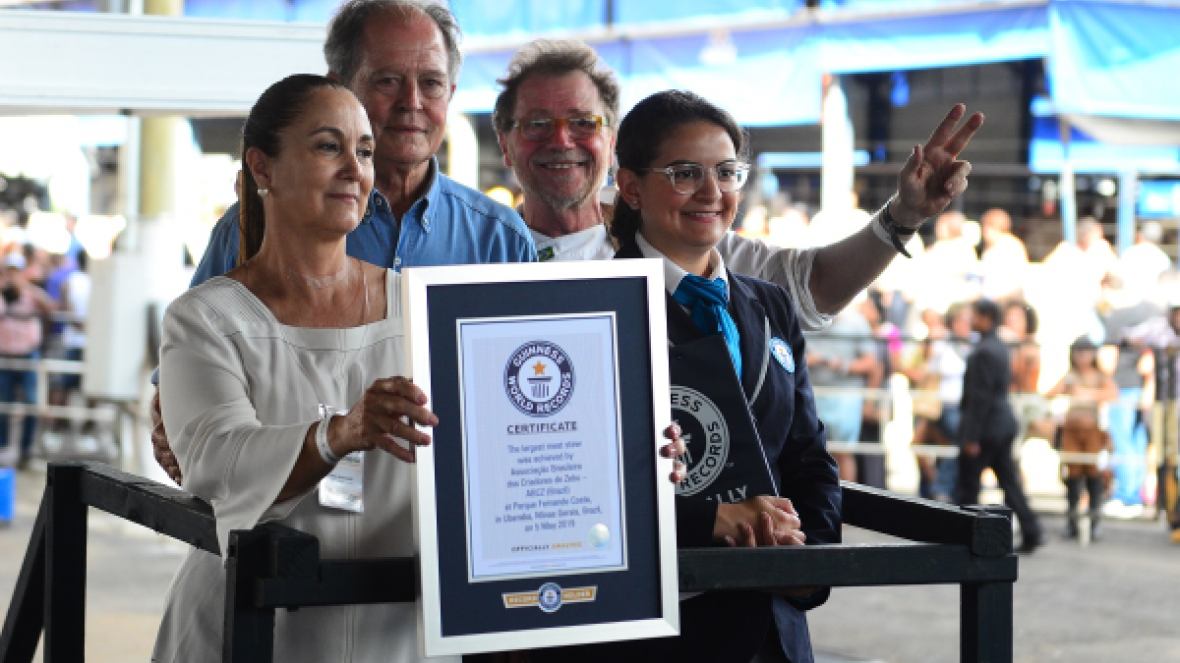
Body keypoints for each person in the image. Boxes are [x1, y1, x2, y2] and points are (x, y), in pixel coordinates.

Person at [152, 74, 685, 663]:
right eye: (329, 147)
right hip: (252, 628)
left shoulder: (429, 307)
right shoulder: (204, 318)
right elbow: (214, 460)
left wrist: (626, 458)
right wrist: (339, 434)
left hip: (403, 632)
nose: (356, 170)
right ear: (263, 167)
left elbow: (511, 445)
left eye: (364, 151)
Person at [152, 0, 537, 484]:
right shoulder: (253, 226)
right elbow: (183, 401)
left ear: (452, 92)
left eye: (432, 83)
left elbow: (528, 401)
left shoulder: (498, 240)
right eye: (387, 81)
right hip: (284, 525)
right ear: (340, 84)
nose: (412, 103)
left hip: (437, 527)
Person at [492, 38, 984, 330]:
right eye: (537, 124)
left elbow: (811, 287)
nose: (562, 141)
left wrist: (904, 215)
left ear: (612, 140)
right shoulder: (473, 253)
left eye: (583, 123)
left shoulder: (676, 244)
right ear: (505, 142)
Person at [591, 89, 840, 663]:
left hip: (776, 629)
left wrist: (812, 566)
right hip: (660, 634)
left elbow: (807, 456)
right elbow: (579, 487)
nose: (713, 192)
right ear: (630, 187)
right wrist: (710, 521)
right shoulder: (591, 312)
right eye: (685, 173)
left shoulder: (770, 305)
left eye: (728, 172)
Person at [956, 298, 1045, 553]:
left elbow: (979, 397)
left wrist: (970, 436)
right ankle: (1032, 530)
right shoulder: (998, 347)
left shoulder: (984, 351)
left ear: (985, 317)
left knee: (969, 483)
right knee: (1009, 482)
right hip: (1000, 424)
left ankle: (966, 534)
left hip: (987, 427)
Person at [1045, 336, 1118, 539]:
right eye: (1078, 353)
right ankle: (1073, 521)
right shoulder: (1070, 376)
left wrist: (1087, 394)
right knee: (1073, 475)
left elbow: (1113, 393)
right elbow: (1050, 393)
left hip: (1092, 429)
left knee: (1094, 474)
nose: (1082, 357)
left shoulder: (1099, 376)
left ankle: (1095, 520)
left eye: (1085, 352)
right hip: (1072, 429)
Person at [805, 298, 878, 482]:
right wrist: (807, 361)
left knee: (842, 452)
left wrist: (842, 365)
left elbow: (872, 363)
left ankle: (845, 500)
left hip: (845, 397)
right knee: (811, 452)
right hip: (812, 394)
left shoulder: (856, 322)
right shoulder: (804, 320)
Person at [0, 251, 56, 469]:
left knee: (32, 403)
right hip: (4, 356)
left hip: (27, 353)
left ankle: (26, 450)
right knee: (3, 404)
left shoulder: (32, 294)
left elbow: (50, 308)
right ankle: (3, 448)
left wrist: (28, 289)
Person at [978, 207, 1028, 302]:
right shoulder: (990, 247)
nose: (983, 232)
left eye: (986, 227)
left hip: (1007, 299)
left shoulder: (1010, 246)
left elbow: (1012, 281)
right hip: (993, 298)